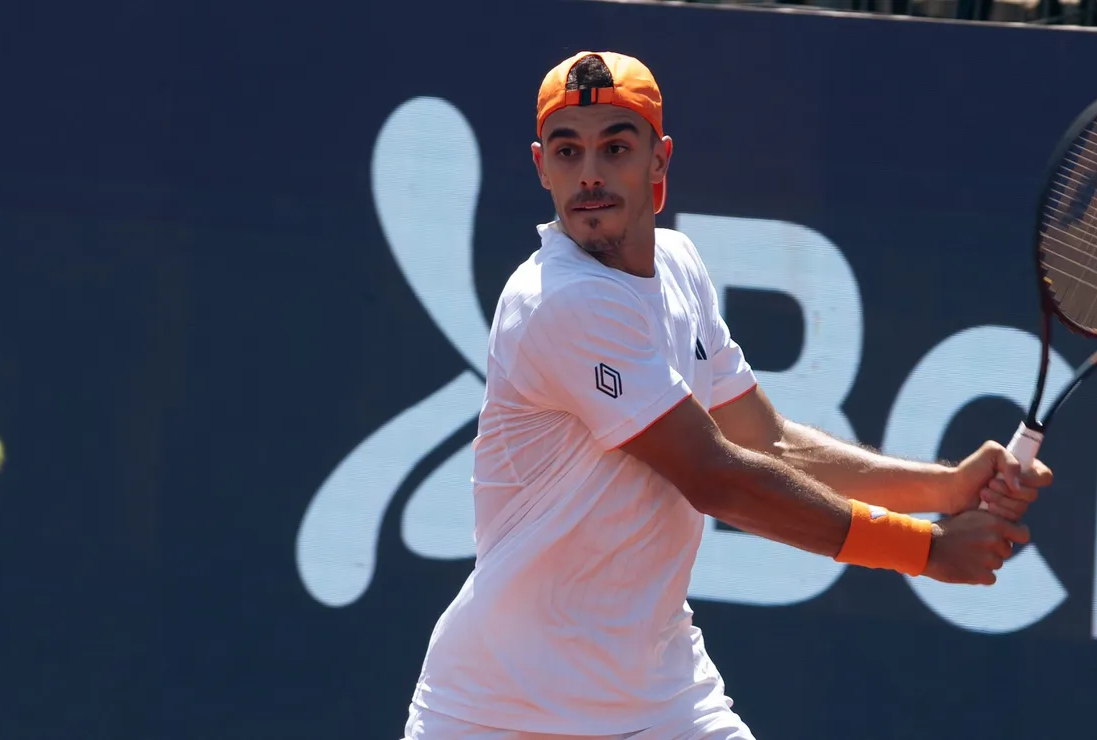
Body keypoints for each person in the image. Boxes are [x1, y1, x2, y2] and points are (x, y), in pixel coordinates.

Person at [401, 51, 1054, 740]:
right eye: (568, 152)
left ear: (659, 160)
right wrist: (926, 550)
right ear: (542, 168)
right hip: (501, 714)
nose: (589, 172)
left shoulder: (679, 266)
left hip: (660, 702)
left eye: (615, 146)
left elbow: (763, 441)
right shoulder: (559, 301)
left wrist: (946, 488)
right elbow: (719, 478)